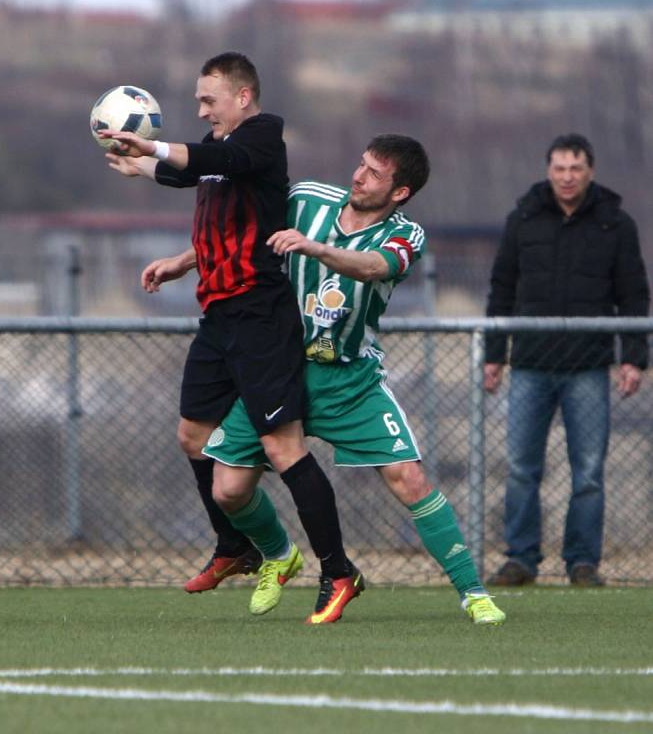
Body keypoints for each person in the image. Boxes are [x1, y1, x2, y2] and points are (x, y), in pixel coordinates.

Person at [166, 134, 505, 625]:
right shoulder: (307, 199)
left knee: (409, 479)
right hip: (282, 371)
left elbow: (372, 267)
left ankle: (473, 593)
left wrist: (315, 249)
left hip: (351, 382)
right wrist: (181, 263)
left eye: (373, 173)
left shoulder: (407, 235)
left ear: (400, 192)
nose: (358, 176)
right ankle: (279, 555)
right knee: (228, 490)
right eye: (361, 164)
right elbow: (242, 234)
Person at [101, 51, 358, 621]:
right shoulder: (218, 151)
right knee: (192, 436)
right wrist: (141, 168)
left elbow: (212, 160)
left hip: (262, 317)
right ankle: (237, 546)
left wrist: (154, 150)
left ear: (242, 97)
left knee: (282, 448)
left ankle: (338, 571)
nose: (200, 109)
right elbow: (196, 171)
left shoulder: (264, 137)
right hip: (219, 318)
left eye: (208, 99)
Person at [484, 133, 650, 588]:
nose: (567, 177)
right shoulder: (523, 218)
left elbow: (633, 294)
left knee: (589, 473)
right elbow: (502, 287)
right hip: (531, 365)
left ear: (590, 170)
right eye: (559, 168)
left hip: (589, 367)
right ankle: (521, 559)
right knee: (521, 468)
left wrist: (634, 357)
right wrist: (494, 355)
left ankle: (582, 563)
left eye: (575, 168)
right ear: (548, 170)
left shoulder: (615, 223)